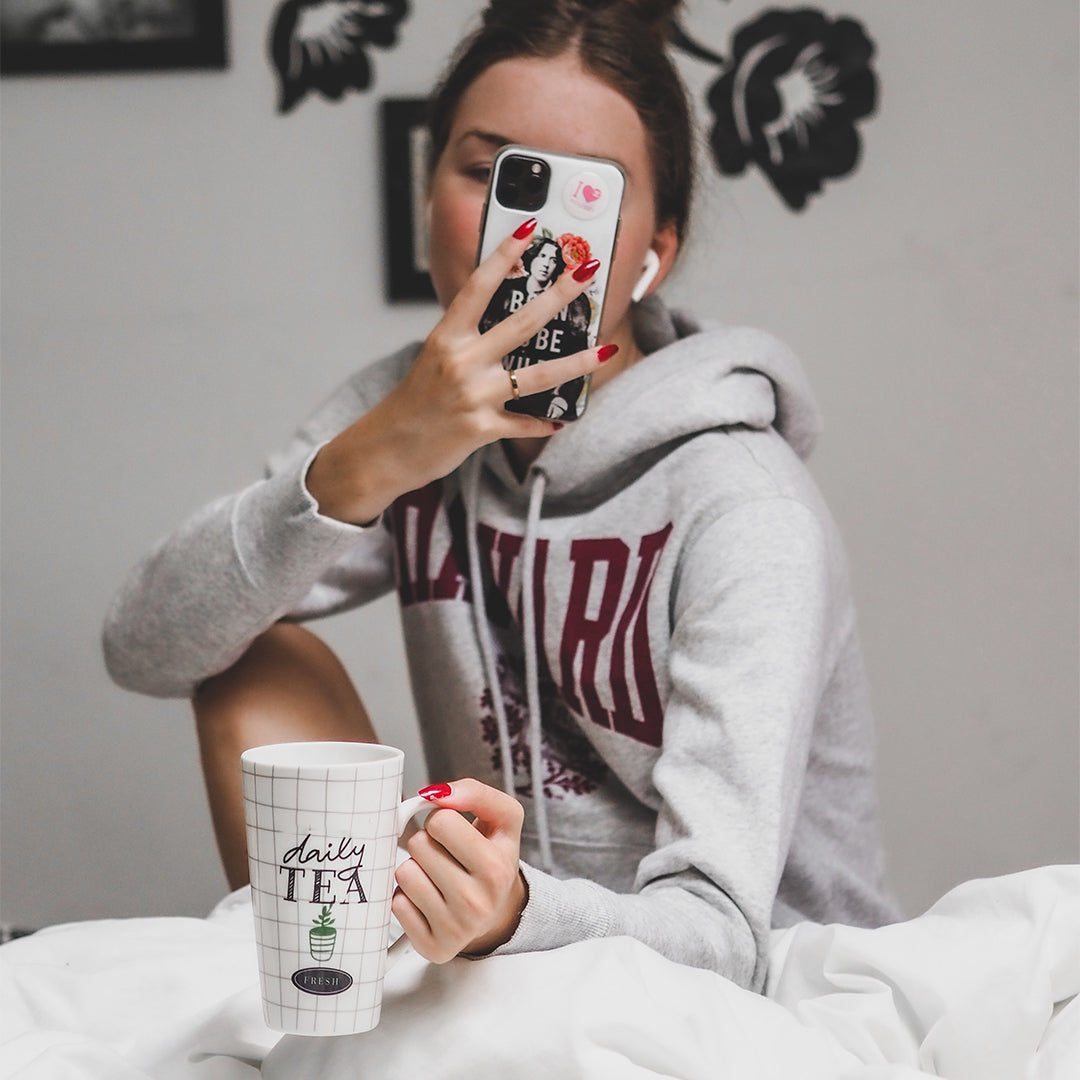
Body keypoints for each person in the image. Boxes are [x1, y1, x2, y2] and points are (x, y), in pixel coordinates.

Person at [103, 0, 899, 991]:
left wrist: (516, 908)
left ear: (652, 251)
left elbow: (729, 935)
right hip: (497, 959)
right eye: (490, 174)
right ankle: (325, 998)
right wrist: (376, 458)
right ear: (426, 188)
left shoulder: (743, 506)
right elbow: (144, 646)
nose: (524, 237)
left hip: (756, 999)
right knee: (252, 650)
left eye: (586, 200)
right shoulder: (404, 411)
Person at [480, 236, 593, 419]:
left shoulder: (576, 304)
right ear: (532, 258)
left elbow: (578, 352)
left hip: (550, 400)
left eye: (553, 260)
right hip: (491, 392)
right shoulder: (506, 289)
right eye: (542, 256)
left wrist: (561, 399)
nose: (546, 264)